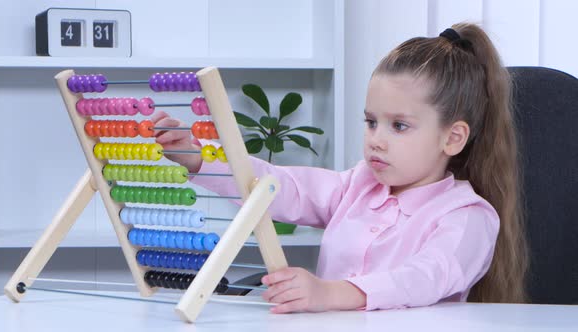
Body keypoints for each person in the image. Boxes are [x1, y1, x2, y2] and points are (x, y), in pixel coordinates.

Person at [151, 22, 528, 314]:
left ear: (453, 138)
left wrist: (329, 293)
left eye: (399, 126)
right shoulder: (360, 184)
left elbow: (423, 280)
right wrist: (202, 158)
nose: (377, 139)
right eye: (371, 122)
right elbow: (283, 187)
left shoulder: (467, 217)